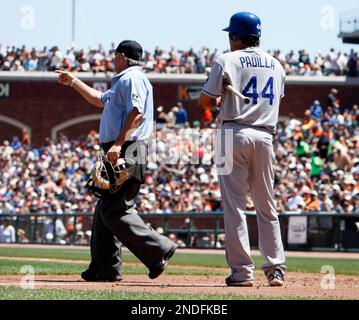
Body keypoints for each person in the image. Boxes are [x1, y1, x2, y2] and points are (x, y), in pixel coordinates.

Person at [55, 40, 177, 282]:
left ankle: (159, 248)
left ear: (122, 56)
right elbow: (99, 99)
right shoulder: (122, 80)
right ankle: (105, 267)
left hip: (128, 147)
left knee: (114, 210)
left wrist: (119, 144)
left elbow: (137, 114)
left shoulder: (132, 77)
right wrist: (74, 82)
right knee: (104, 209)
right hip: (121, 147)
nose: (112, 60)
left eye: (114, 56)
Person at [199, 12, 286, 287]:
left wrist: (220, 91)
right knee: (266, 204)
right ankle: (275, 269)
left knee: (234, 207)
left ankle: (242, 273)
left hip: (231, 132)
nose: (229, 39)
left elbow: (205, 103)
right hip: (265, 135)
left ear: (236, 36)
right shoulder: (277, 64)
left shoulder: (226, 59)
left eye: (230, 35)